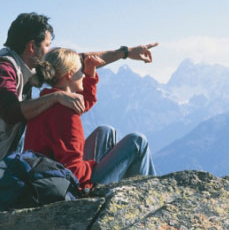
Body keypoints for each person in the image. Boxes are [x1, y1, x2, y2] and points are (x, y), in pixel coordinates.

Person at [0, 12, 158, 219]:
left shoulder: (32, 71)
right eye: (47, 45)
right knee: (4, 196)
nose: (50, 51)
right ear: (32, 46)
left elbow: (78, 61)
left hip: (0, 162)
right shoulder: (1, 69)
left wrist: (126, 53)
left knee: (104, 134)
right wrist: (56, 98)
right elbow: (10, 111)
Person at [24, 47, 156, 191]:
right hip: (72, 187)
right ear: (70, 74)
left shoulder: (46, 102)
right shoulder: (66, 114)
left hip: (46, 177)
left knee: (105, 131)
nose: (83, 75)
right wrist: (93, 165)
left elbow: (82, 103)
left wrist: (90, 72)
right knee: (137, 141)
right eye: (81, 71)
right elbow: (73, 171)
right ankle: (149, 194)